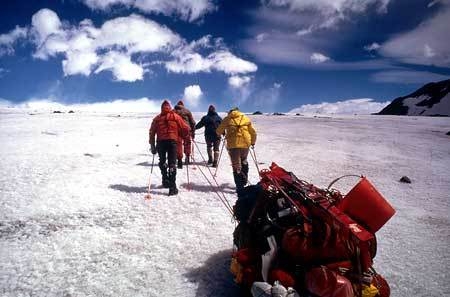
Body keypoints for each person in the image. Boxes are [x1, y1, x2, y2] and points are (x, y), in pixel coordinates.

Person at [149, 100, 190, 196]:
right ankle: (172, 187)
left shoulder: (157, 118)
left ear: (162, 108)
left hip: (161, 142)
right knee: (172, 163)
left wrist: (152, 145)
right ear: (170, 107)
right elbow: (185, 128)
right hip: (173, 141)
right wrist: (186, 137)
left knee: (162, 161)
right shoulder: (176, 117)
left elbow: (152, 132)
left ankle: (165, 179)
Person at [216, 107, 256, 194]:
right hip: (246, 143)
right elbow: (253, 132)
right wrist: (253, 142)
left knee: (236, 165)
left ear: (230, 112)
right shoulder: (245, 117)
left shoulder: (228, 118)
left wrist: (223, 133)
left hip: (234, 145)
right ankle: (244, 180)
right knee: (244, 160)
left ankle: (240, 188)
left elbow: (218, 131)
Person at [173, 100, 196, 169]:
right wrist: (193, 132)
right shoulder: (187, 111)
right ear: (183, 105)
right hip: (187, 129)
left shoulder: (173, 111)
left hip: (177, 129)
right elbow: (192, 122)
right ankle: (187, 157)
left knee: (178, 144)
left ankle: (179, 159)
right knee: (187, 143)